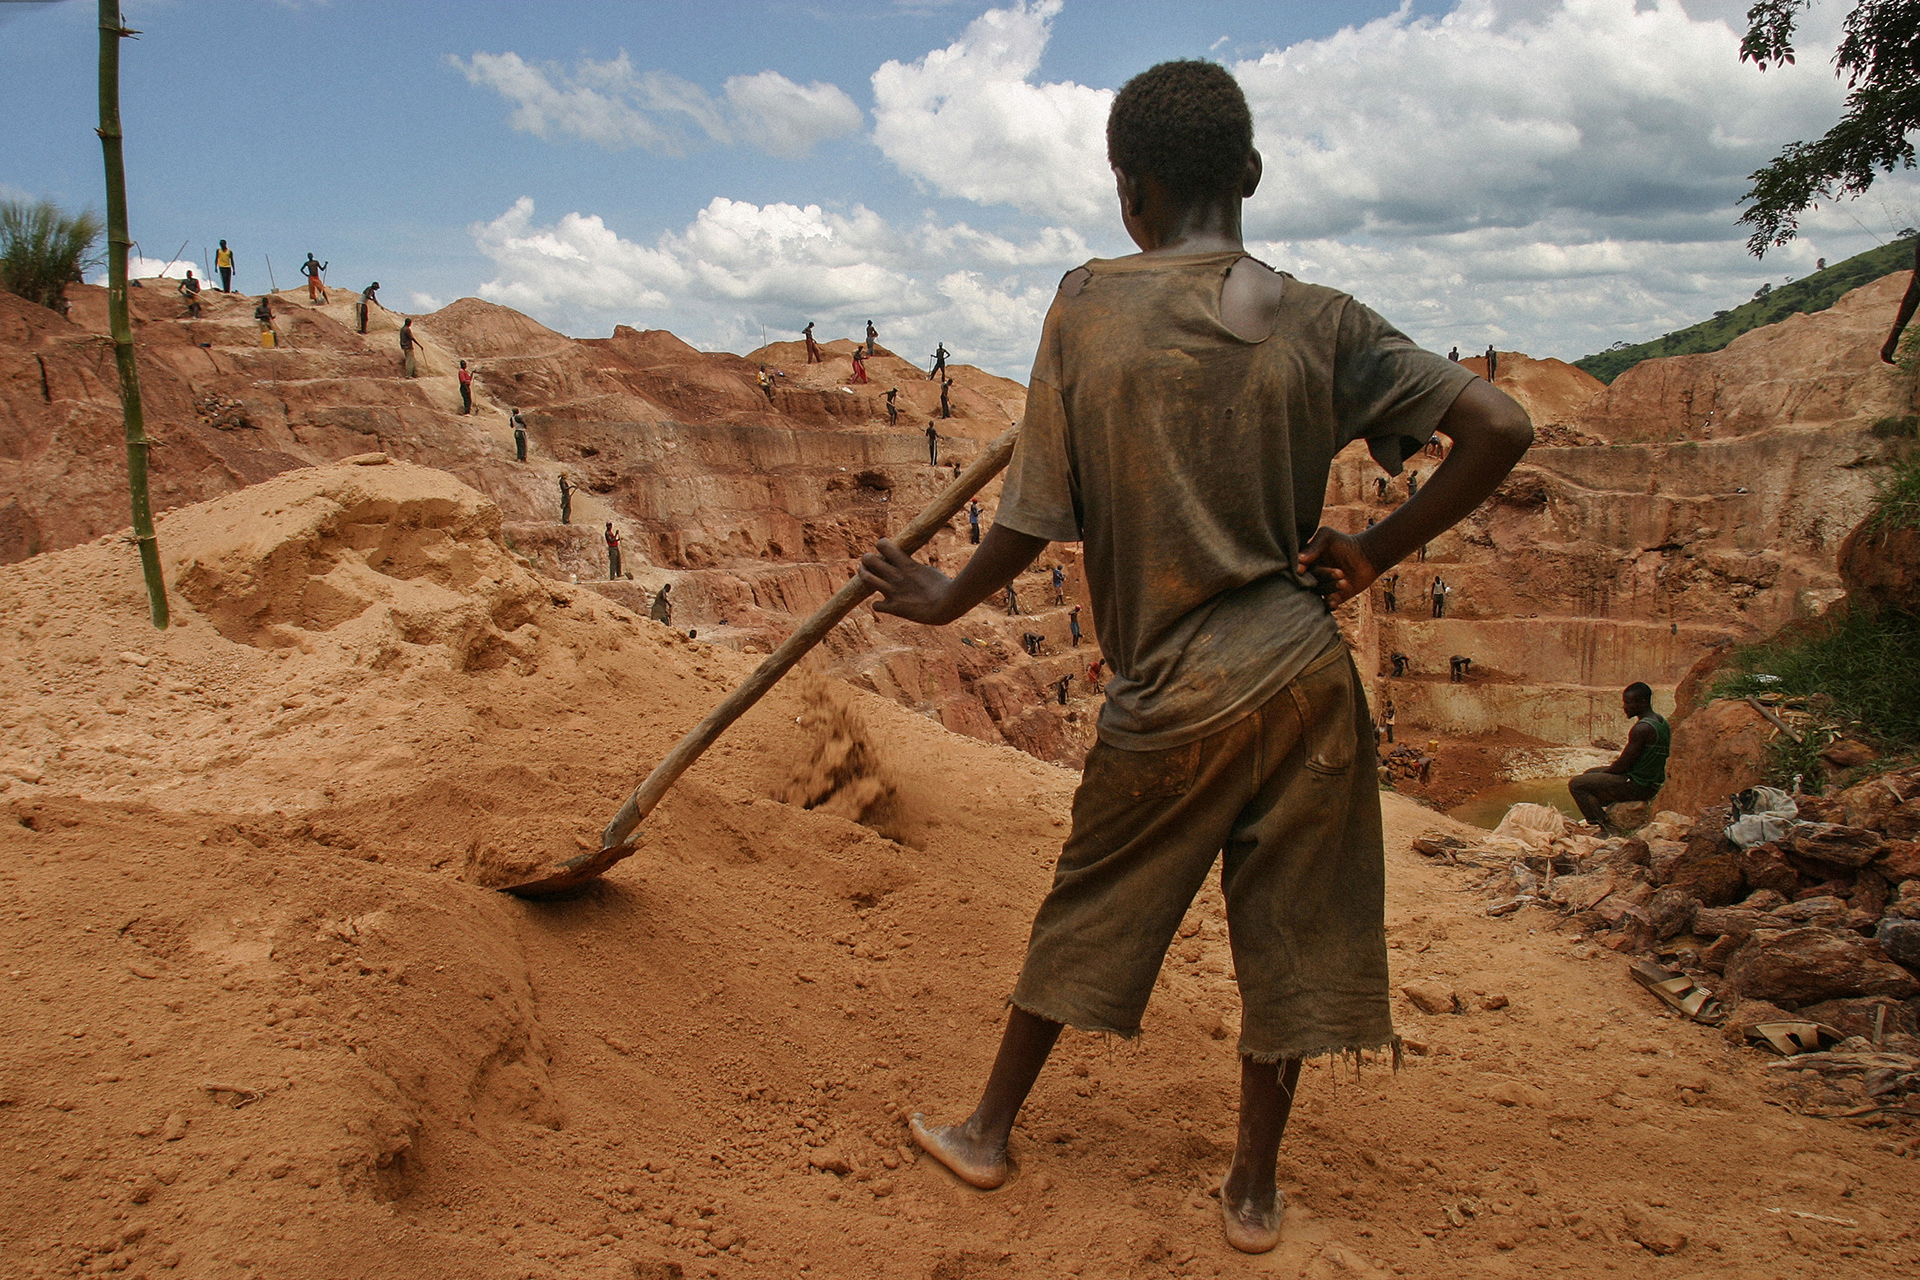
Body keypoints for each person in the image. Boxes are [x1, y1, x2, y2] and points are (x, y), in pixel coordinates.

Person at [854, 59, 1530, 1256]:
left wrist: (950, 596)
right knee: (1293, 926)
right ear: (1252, 177)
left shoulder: (1087, 305)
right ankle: (1253, 1190)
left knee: (1092, 900)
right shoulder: (1321, 318)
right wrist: (1372, 548)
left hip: (1175, 691)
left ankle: (986, 1129)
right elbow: (1500, 425)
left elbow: (1033, 507)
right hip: (1310, 678)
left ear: (1131, 192)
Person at [1569, 683, 1668, 831]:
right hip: (1650, 781)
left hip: (1640, 785)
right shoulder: (1660, 721)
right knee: (1590, 775)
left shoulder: (1642, 728)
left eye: (1628, 703)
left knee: (1577, 784)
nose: (1625, 707)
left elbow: (1623, 765)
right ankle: (1607, 813)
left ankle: (1606, 827)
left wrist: (1605, 773)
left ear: (1642, 702)